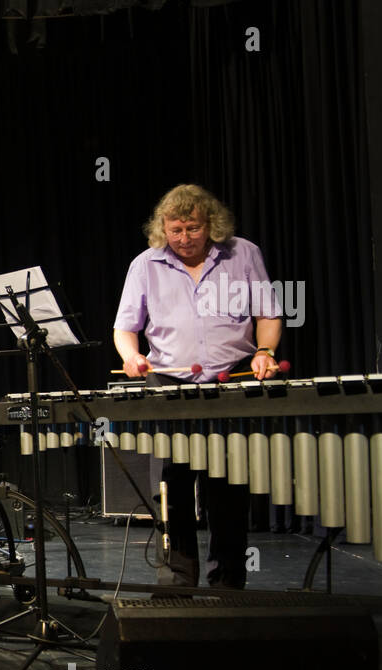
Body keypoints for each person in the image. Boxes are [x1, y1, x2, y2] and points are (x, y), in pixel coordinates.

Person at [113, 183, 283, 590]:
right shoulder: (145, 265)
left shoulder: (243, 253)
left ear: (211, 225)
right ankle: (178, 581)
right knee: (171, 490)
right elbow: (124, 327)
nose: (184, 238)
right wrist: (131, 356)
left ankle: (228, 583)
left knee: (228, 488)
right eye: (176, 230)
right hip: (168, 383)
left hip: (230, 379)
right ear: (163, 229)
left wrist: (264, 351)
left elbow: (269, 313)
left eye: (192, 228)